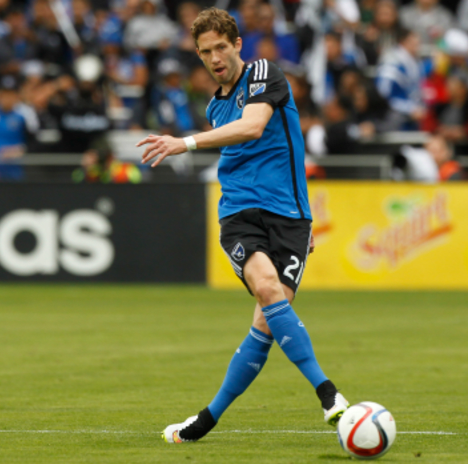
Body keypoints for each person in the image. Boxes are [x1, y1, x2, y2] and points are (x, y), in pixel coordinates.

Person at [136, 7, 349, 443]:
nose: (214, 58)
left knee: (266, 323)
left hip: (290, 216)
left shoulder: (265, 74)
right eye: (204, 52)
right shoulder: (216, 105)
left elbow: (253, 128)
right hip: (239, 215)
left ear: (237, 44)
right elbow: (240, 140)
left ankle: (206, 419)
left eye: (219, 48)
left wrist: (185, 142)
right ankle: (330, 395)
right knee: (269, 290)